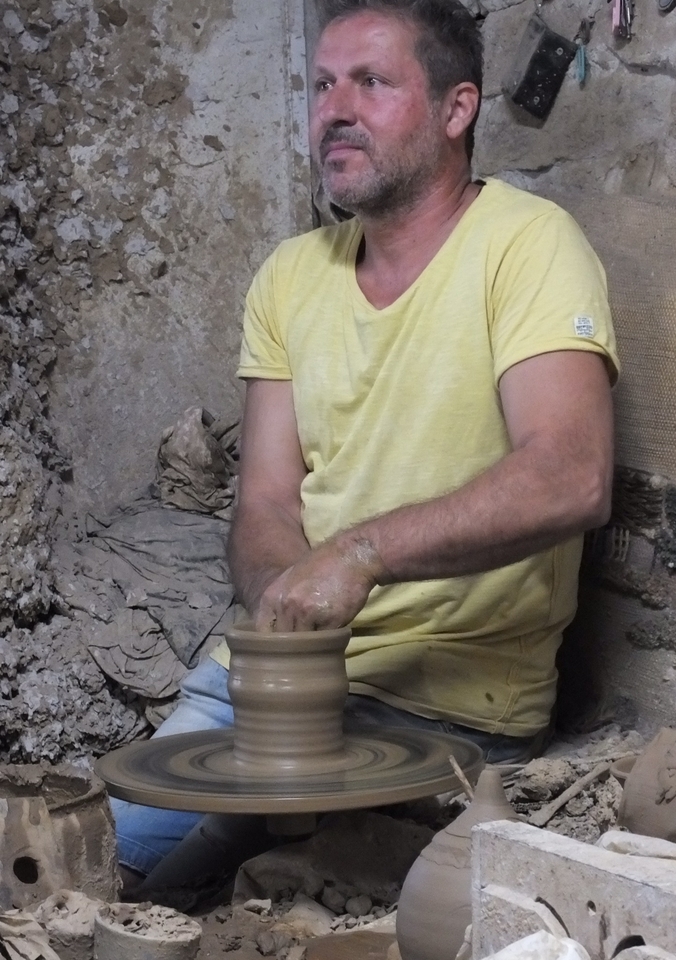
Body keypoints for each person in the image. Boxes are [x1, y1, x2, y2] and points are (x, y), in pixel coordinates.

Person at [113, 0, 618, 891]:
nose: (332, 109)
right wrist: (284, 611)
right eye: (319, 86)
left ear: (456, 110)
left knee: (226, 900)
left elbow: (571, 476)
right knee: (91, 865)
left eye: (371, 83)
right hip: (268, 688)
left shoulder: (528, 247)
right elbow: (266, 498)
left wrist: (359, 554)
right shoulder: (289, 275)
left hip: (454, 703)